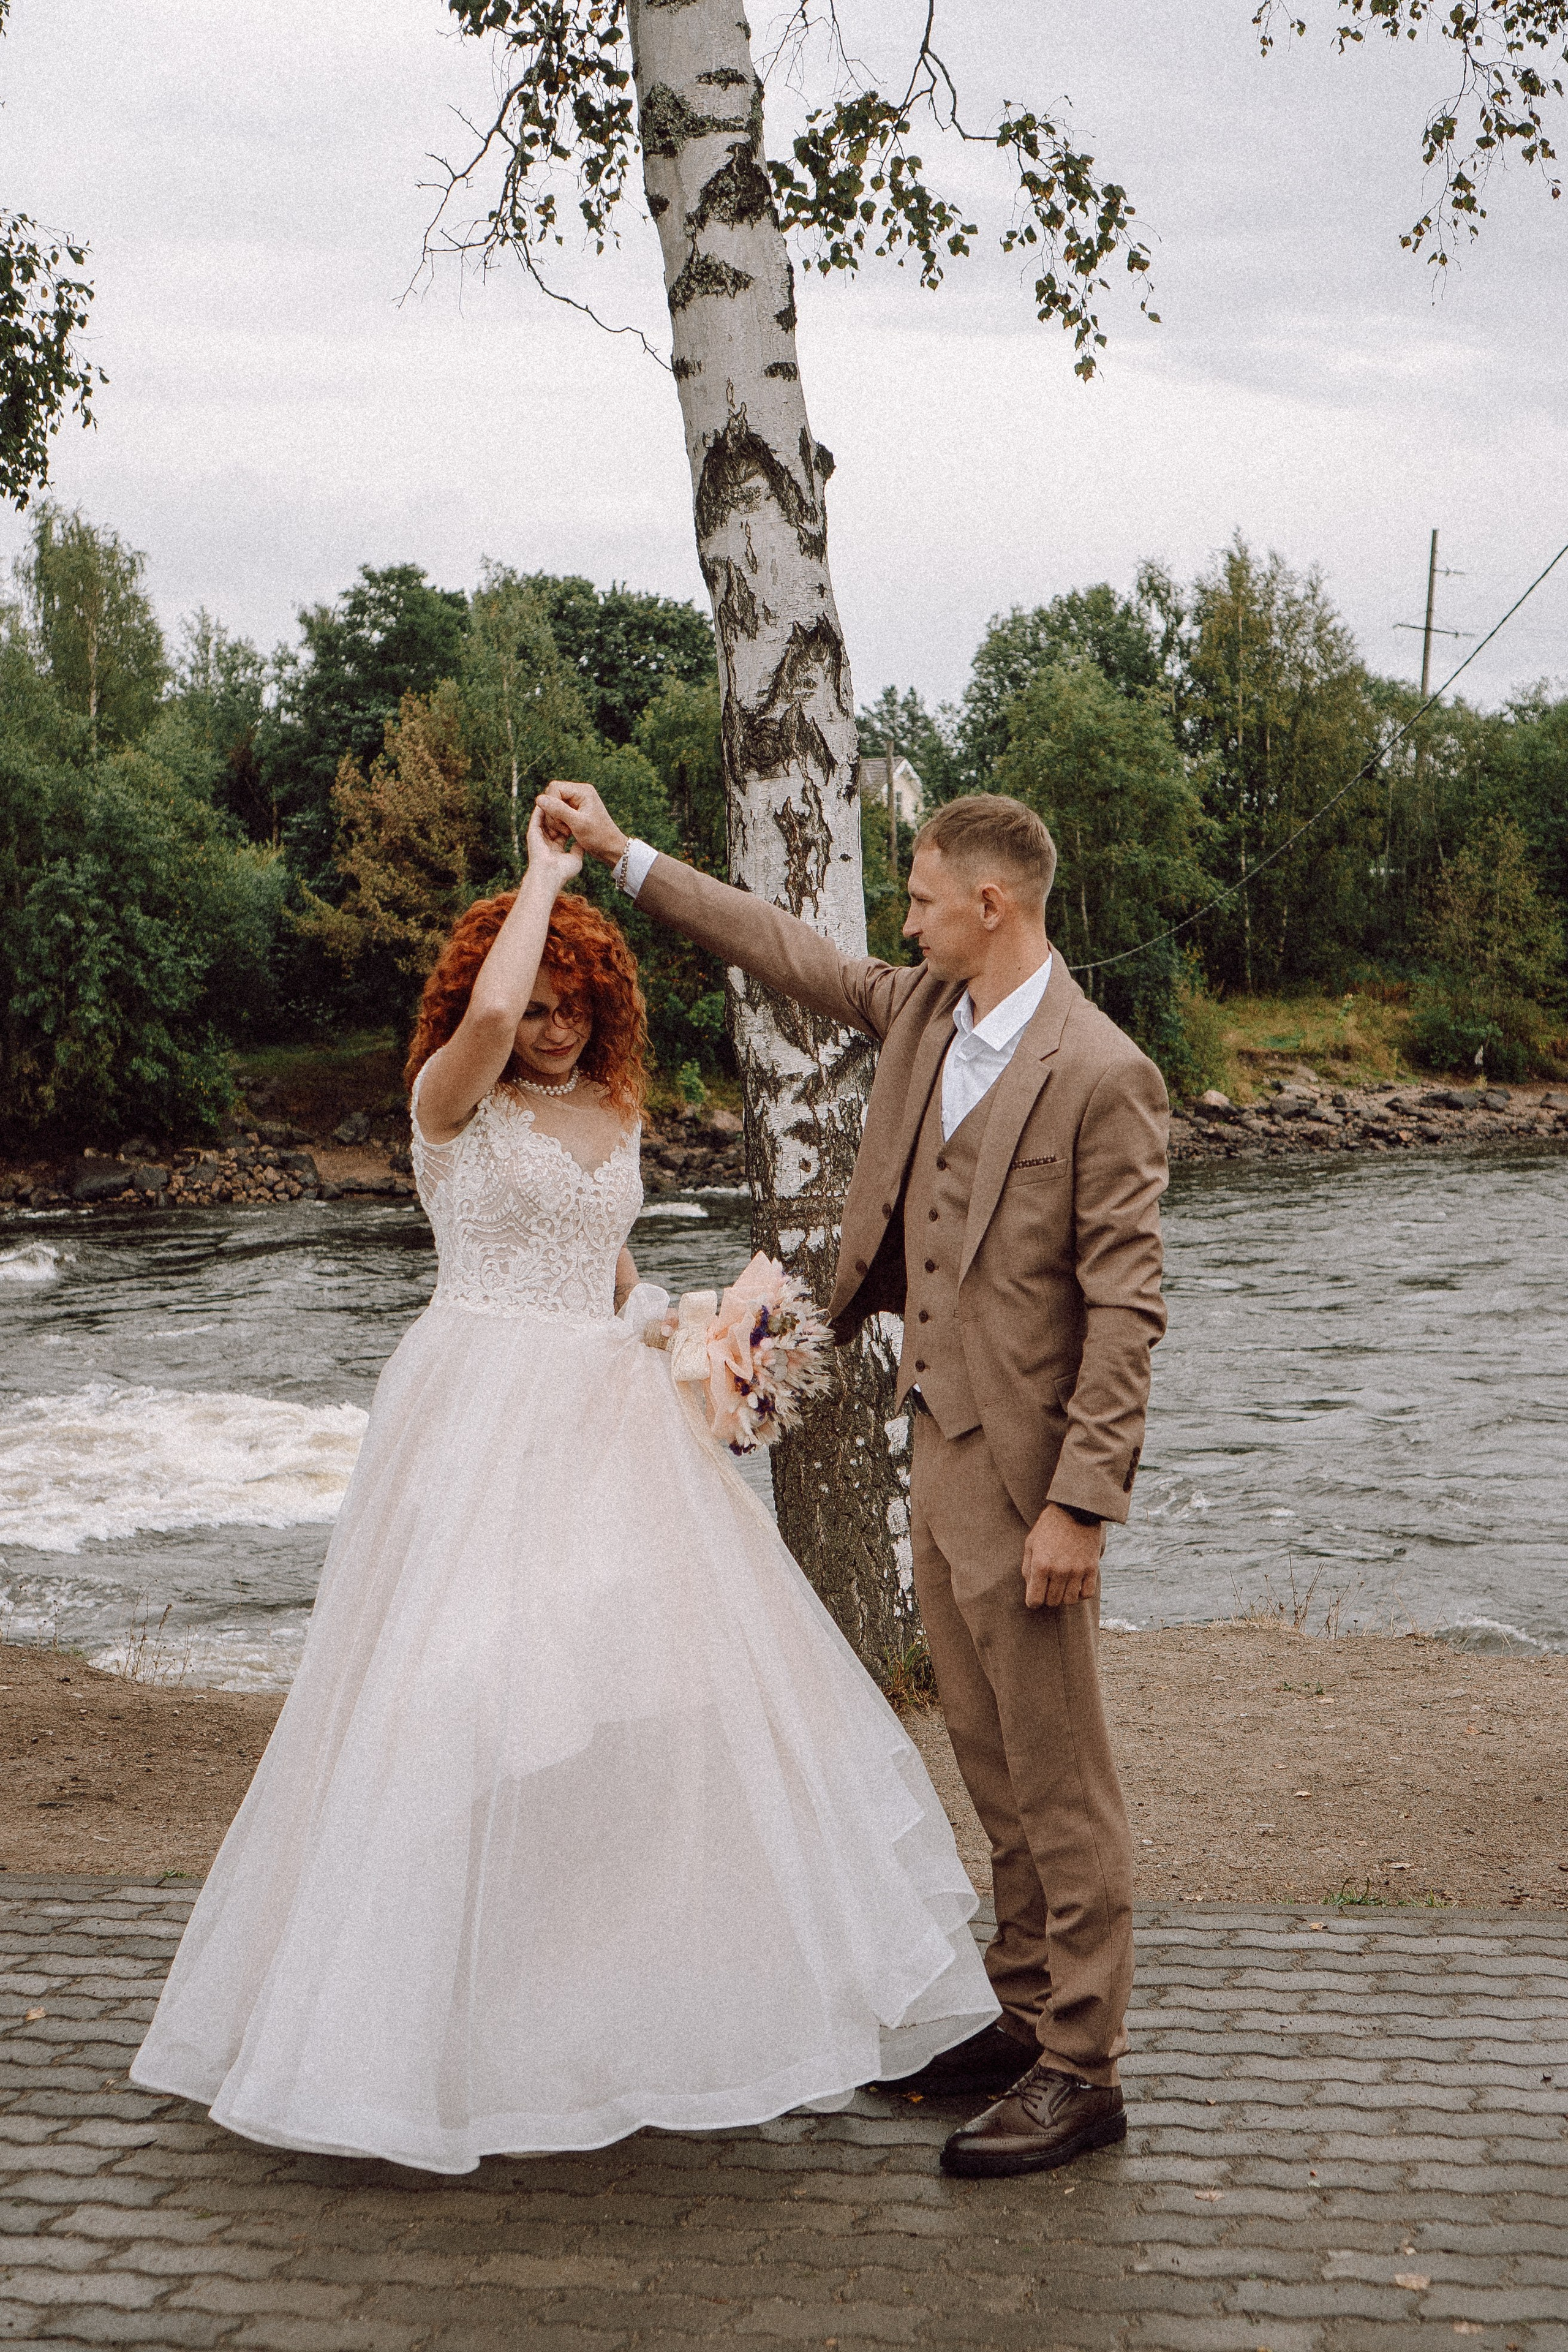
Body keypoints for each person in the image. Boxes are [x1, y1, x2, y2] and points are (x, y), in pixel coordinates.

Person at [128, 797, 998, 2172]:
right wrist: (543, 876)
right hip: (476, 1410)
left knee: (634, 1708)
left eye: (576, 1005)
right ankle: (389, 2026)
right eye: (538, 1005)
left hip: (602, 1416)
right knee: (456, 1695)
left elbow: (611, 1271)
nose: (552, 1027)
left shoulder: (613, 1109)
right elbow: (484, 1019)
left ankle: (586, 2000)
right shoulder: (449, 1104)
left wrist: (696, 1343)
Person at [537, 780, 1169, 2180]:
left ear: (990, 905)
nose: (905, 920)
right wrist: (622, 855)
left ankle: (1083, 2068)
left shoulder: (1102, 1071)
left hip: (1030, 1479)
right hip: (935, 1446)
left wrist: (1079, 1504)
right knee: (990, 1756)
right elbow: (785, 948)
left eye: (923, 899)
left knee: (1062, 1778)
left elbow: (1126, 1311)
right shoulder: (927, 1012)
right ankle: (1021, 2015)